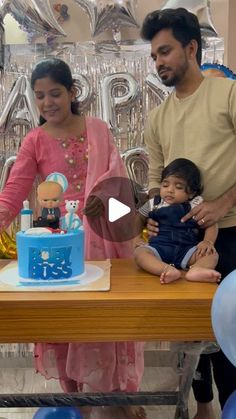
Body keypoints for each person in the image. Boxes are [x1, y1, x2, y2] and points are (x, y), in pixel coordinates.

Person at [0, 58, 145, 419]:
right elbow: (14, 191)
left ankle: (118, 397)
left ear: (72, 92)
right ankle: (77, 399)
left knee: (108, 319)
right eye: (40, 96)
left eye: (55, 93)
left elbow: (116, 184)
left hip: (103, 241)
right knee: (65, 322)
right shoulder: (35, 140)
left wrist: (121, 217)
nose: (48, 102)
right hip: (59, 246)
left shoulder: (98, 129)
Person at [141, 7, 236, 419]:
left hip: (228, 234)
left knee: (229, 331)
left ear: (191, 47)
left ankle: (231, 404)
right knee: (188, 331)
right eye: (154, 56)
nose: (159, 61)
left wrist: (224, 203)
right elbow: (155, 179)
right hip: (178, 240)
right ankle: (203, 407)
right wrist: (146, 211)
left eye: (165, 51)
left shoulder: (228, 95)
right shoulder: (158, 117)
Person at [135, 158, 220, 284]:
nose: (170, 190)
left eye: (178, 186)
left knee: (212, 255)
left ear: (191, 193)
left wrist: (208, 242)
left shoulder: (195, 205)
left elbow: (211, 224)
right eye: (165, 185)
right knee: (140, 253)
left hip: (188, 251)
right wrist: (136, 238)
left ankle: (197, 270)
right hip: (158, 249)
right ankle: (166, 269)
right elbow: (138, 218)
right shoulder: (154, 203)